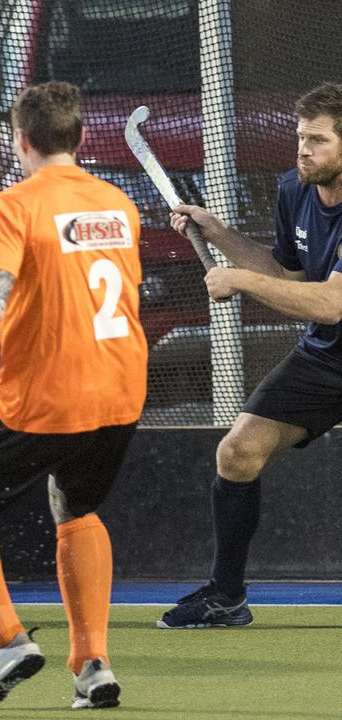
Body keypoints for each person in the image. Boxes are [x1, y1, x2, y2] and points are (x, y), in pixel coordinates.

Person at [0, 81, 147, 709]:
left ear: (20, 140)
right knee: (74, 508)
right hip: (123, 392)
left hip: (52, 400)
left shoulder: (15, 205)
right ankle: (93, 665)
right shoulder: (118, 203)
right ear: (79, 139)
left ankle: (6, 642)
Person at [159, 82, 342, 630]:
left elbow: (332, 302)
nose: (302, 150)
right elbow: (288, 275)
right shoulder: (294, 191)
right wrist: (217, 232)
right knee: (238, 452)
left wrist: (234, 279)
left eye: (318, 140)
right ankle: (226, 597)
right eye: (300, 138)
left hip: (330, 325)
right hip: (327, 360)